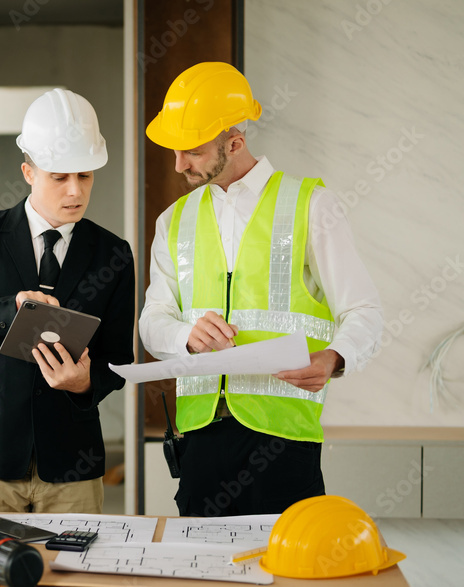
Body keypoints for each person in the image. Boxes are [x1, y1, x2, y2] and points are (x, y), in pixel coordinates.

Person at [139, 62, 383, 516]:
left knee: (288, 577)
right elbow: (152, 322)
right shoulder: (173, 222)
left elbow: (364, 309)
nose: (178, 165)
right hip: (202, 441)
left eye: (190, 151)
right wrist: (184, 336)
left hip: (284, 443)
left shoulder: (311, 204)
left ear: (234, 142)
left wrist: (335, 358)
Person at [0, 89, 135, 514]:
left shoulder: (113, 253)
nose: (75, 191)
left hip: (71, 462)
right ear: (29, 172)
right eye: (59, 177)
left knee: (72, 578)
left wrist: (85, 384)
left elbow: (116, 358)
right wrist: (7, 310)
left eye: (85, 175)